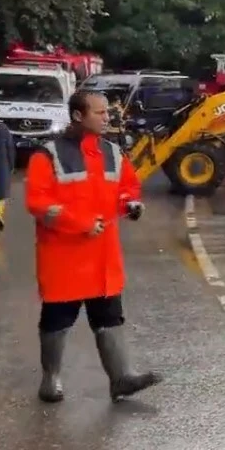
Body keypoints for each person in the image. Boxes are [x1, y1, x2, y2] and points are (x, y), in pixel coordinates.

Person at [24, 90, 160, 403]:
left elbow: (127, 187)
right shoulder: (47, 155)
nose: (107, 118)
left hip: (103, 257)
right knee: (57, 319)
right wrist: (80, 223)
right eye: (99, 113)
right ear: (77, 116)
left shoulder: (113, 152)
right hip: (63, 257)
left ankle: (121, 378)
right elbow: (38, 202)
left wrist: (130, 204)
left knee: (110, 317)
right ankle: (51, 379)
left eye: (106, 112)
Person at [0, 116, 14, 230]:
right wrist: (11, 166)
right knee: (0, 195)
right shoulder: (3, 129)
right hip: (1, 166)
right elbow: (10, 149)